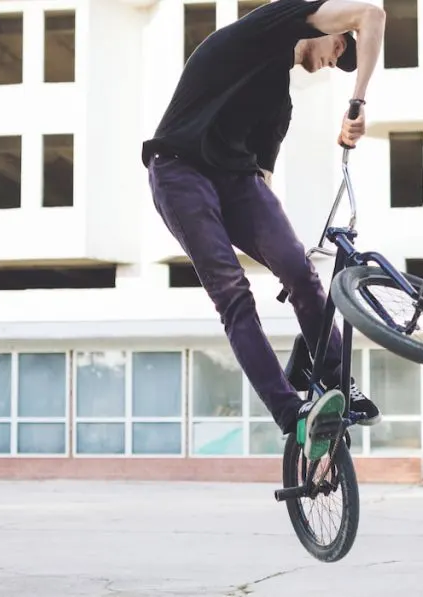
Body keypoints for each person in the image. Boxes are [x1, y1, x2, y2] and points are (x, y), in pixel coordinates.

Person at [142, 0, 386, 459]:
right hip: (178, 171)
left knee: (298, 269)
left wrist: (282, 248)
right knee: (233, 292)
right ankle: (289, 413)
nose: (335, 60)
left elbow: (263, 188)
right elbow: (372, 15)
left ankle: (334, 377)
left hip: (236, 179)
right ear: (318, 24)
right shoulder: (269, 25)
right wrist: (358, 102)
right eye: (338, 45)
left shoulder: (279, 106)